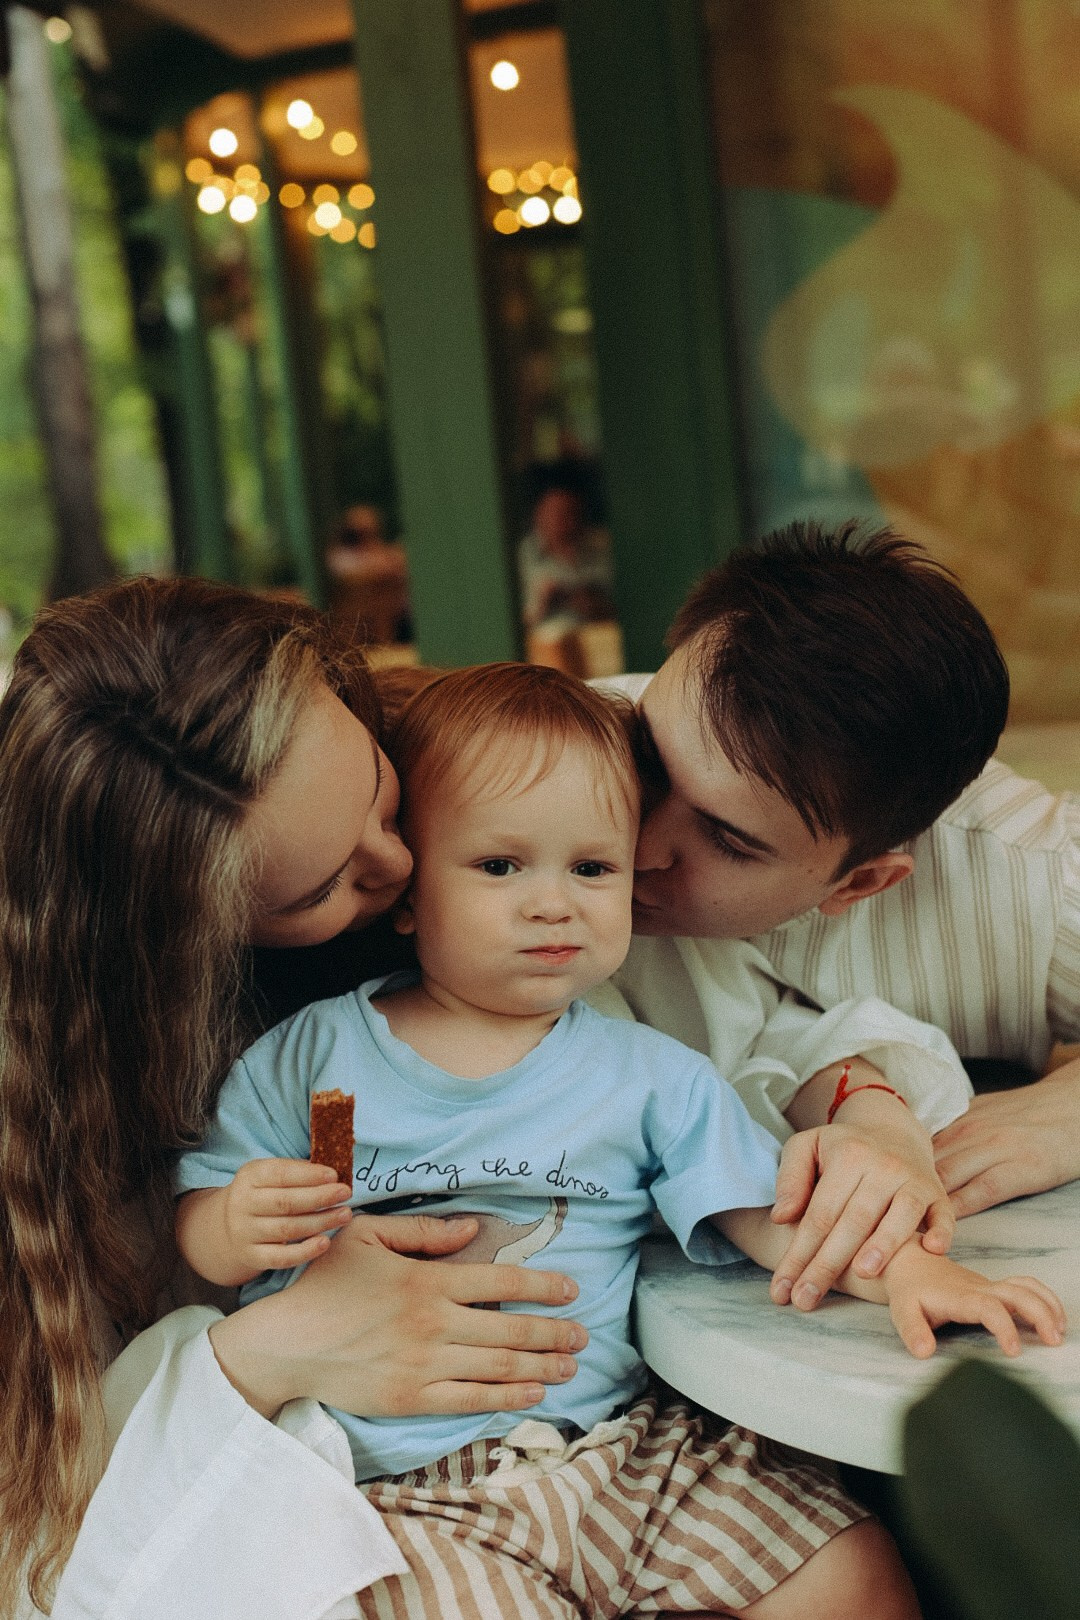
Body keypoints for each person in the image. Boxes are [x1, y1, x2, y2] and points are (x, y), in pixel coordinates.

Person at [173, 662, 1061, 1620]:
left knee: (847, 1568)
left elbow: (774, 1216)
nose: (553, 903)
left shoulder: (650, 1076)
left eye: (592, 868)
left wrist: (915, 1275)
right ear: (408, 888)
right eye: (500, 866)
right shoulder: (326, 1065)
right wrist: (232, 1222)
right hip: (411, 1487)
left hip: (625, 1447)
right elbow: (207, 1219)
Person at [0, 580, 587, 1617]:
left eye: (378, 793)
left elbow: (743, 948)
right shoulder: (58, 1085)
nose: (399, 867)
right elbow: (45, 1538)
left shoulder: (449, 750)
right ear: (177, 945)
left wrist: (864, 1092)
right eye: (319, 893)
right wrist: (263, 1351)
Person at [601, 518, 1080, 1309]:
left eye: (726, 839)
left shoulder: (1021, 875)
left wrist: (1067, 1115)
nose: (638, 846)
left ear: (859, 884)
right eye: (649, 761)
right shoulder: (542, 753)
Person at [518, 459, 616, 633]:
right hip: (543, 648)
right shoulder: (521, 558)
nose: (570, 524)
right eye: (561, 515)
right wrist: (543, 604)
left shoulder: (600, 547)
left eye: (574, 514)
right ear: (539, 514)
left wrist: (591, 603)